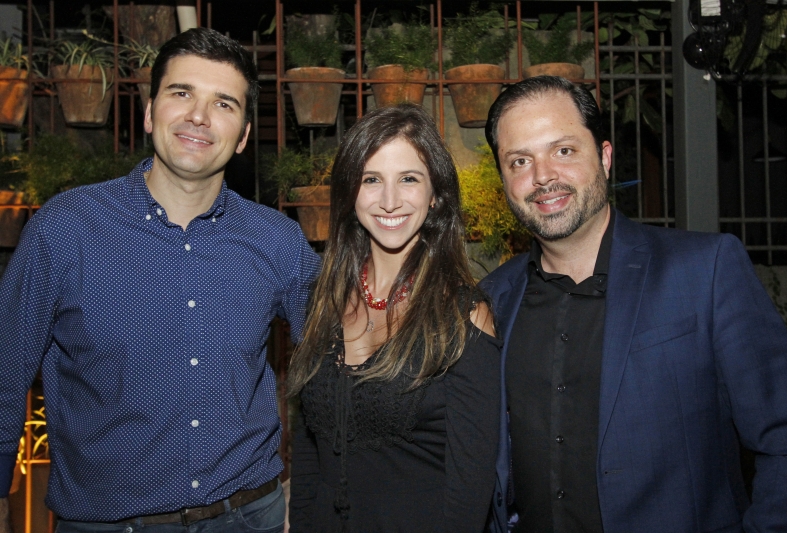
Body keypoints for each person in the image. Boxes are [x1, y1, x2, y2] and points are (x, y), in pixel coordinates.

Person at [0, 28, 320, 532]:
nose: (199, 115)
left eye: (224, 103)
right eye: (182, 93)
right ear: (150, 113)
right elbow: (6, 364)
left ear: (242, 137)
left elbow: (340, 354)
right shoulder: (66, 229)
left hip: (248, 517)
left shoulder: (276, 240)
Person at [479, 75, 787, 533]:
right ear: (505, 180)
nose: (543, 175)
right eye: (519, 160)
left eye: (564, 150)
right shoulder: (490, 300)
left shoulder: (704, 271)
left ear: (605, 157)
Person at [286, 104, 501, 532]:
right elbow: (309, 451)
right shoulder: (322, 302)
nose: (389, 200)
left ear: (435, 193)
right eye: (371, 180)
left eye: (408, 179)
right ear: (350, 193)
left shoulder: (464, 316)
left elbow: (470, 489)